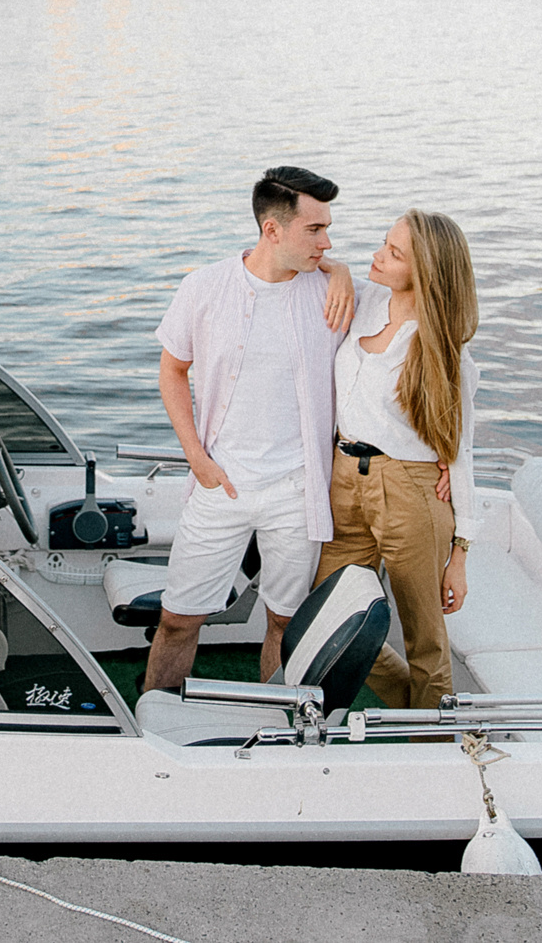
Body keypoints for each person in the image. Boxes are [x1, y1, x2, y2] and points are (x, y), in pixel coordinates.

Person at [145, 166, 354, 693]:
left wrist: (342, 271)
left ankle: (275, 723)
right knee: (178, 619)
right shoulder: (204, 288)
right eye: (315, 230)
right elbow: (172, 370)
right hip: (220, 483)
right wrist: (195, 456)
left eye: (328, 230)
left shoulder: (332, 293)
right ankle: (154, 721)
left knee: (285, 623)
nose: (327, 243)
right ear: (272, 230)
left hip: (298, 491)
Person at [311, 209, 481, 711]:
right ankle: (416, 706)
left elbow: (461, 451)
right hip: (344, 478)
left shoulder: (446, 353)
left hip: (409, 488)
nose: (378, 256)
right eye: (384, 244)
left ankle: (429, 740)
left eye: (393, 253)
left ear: (424, 270)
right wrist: (341, 270)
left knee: (425, 639)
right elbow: (316, 264)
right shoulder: (366, 300)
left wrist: (460, 555)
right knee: (328, 614)